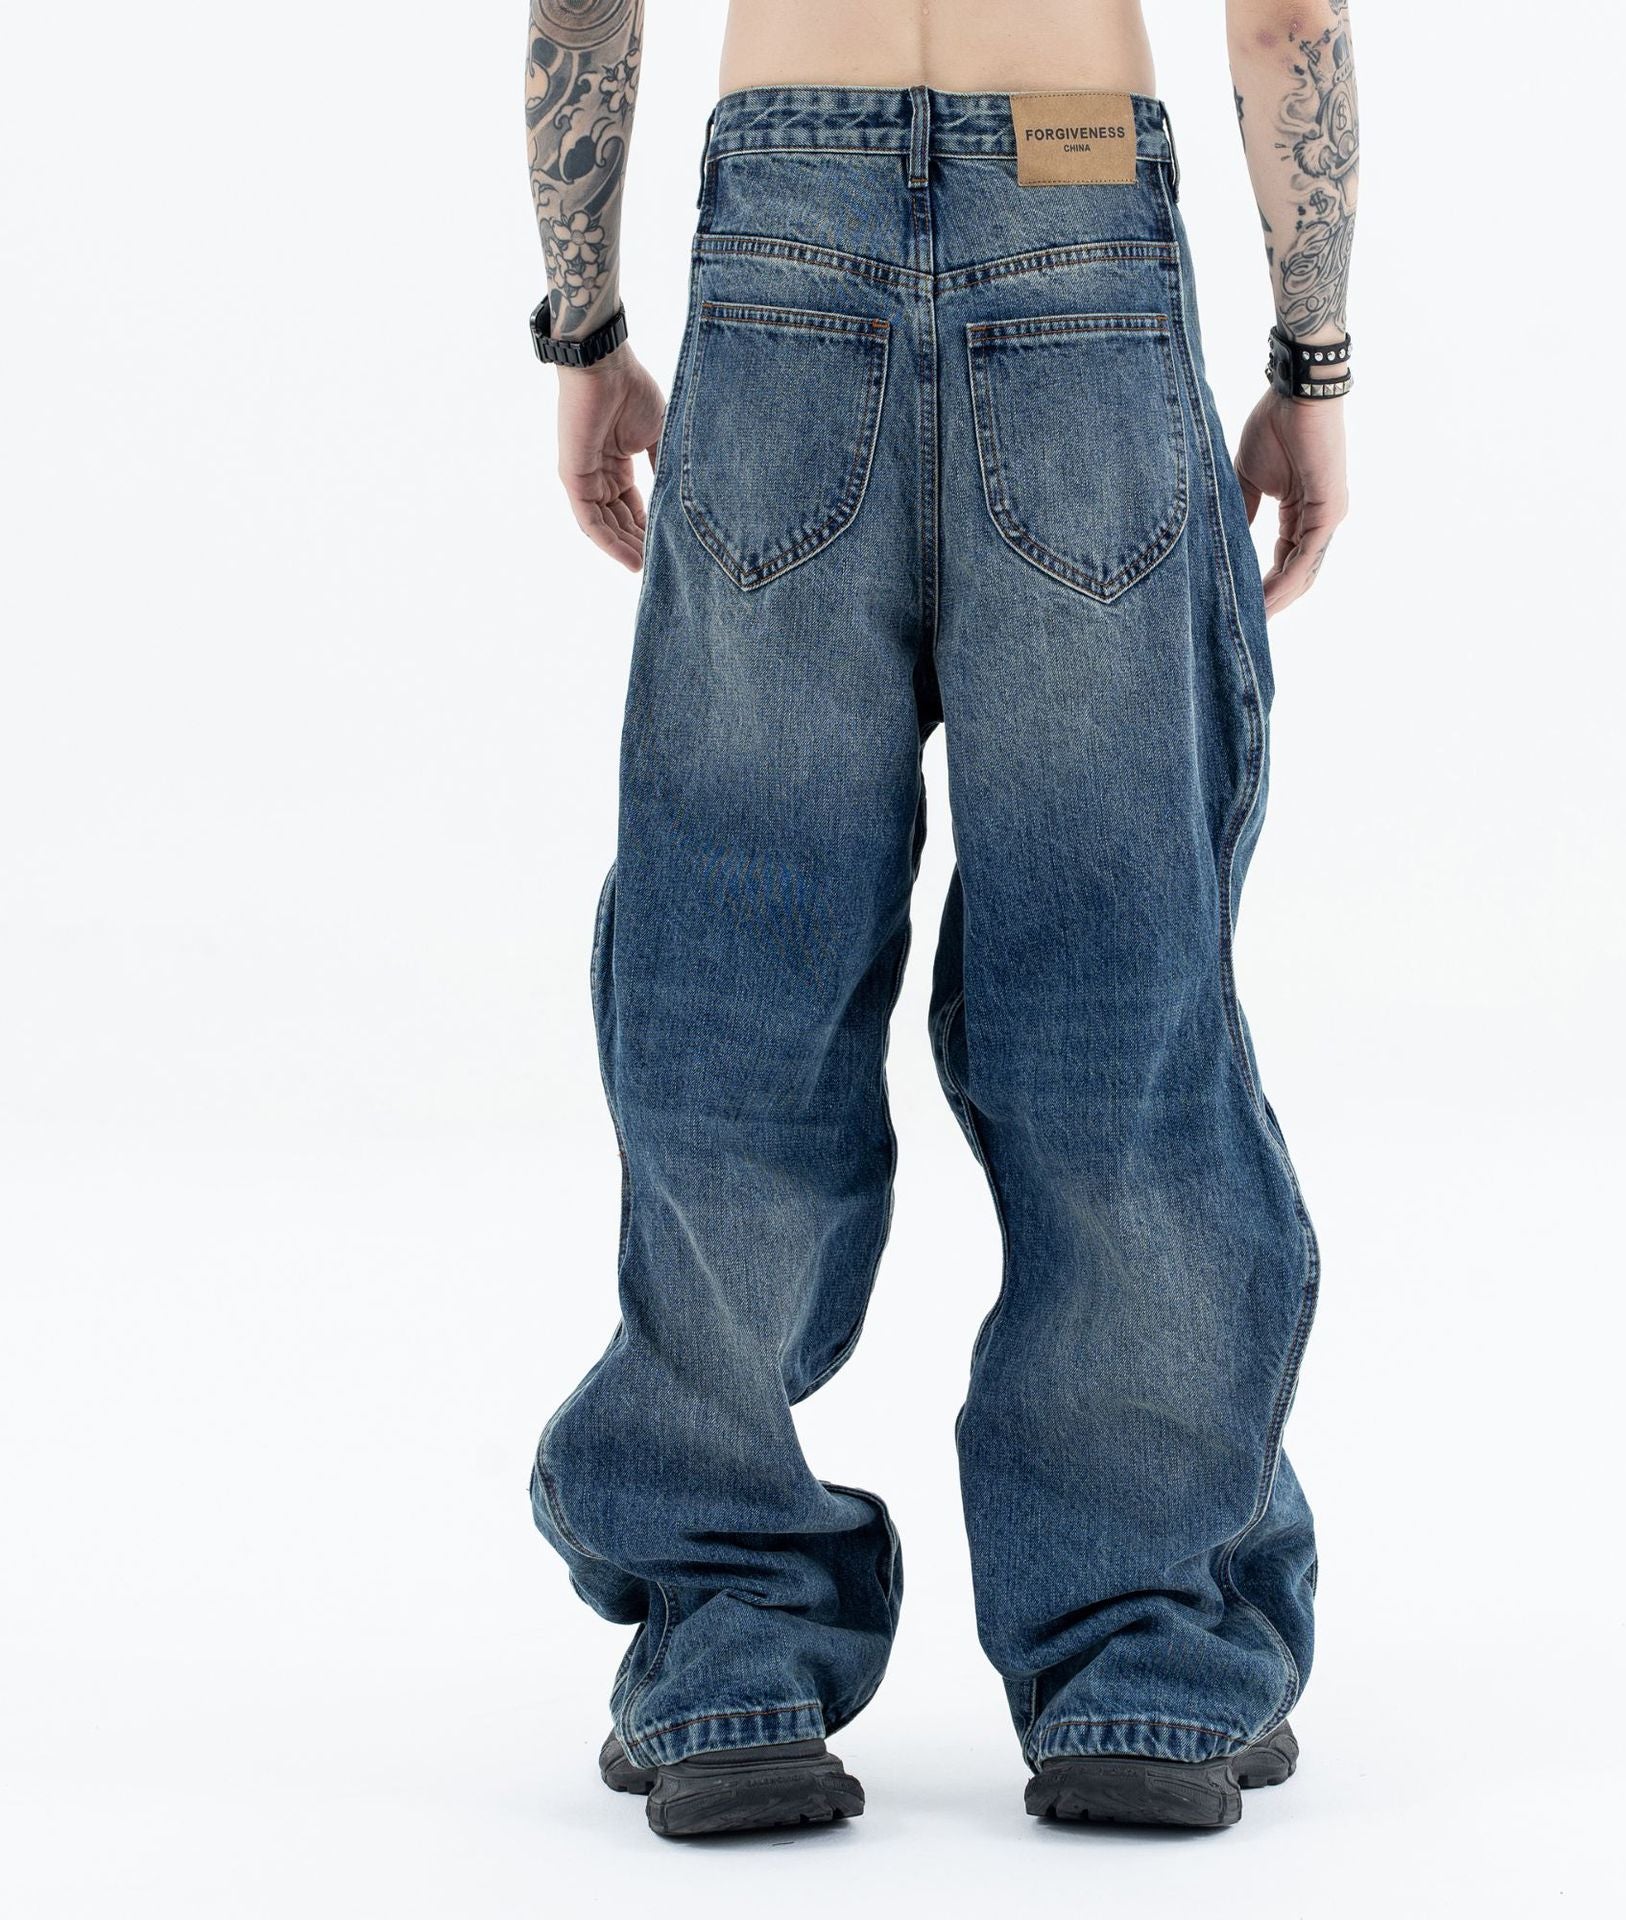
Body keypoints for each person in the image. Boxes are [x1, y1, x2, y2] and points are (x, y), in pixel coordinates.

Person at [523, 0, 1356, 1837]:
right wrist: (1314, 362)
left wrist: (582, 328)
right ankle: (1138, 1648)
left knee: (734, 982)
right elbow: (1286, 17)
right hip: (1080, 223)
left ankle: (727, 1639)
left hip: (782, 246)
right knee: (1116, 987)